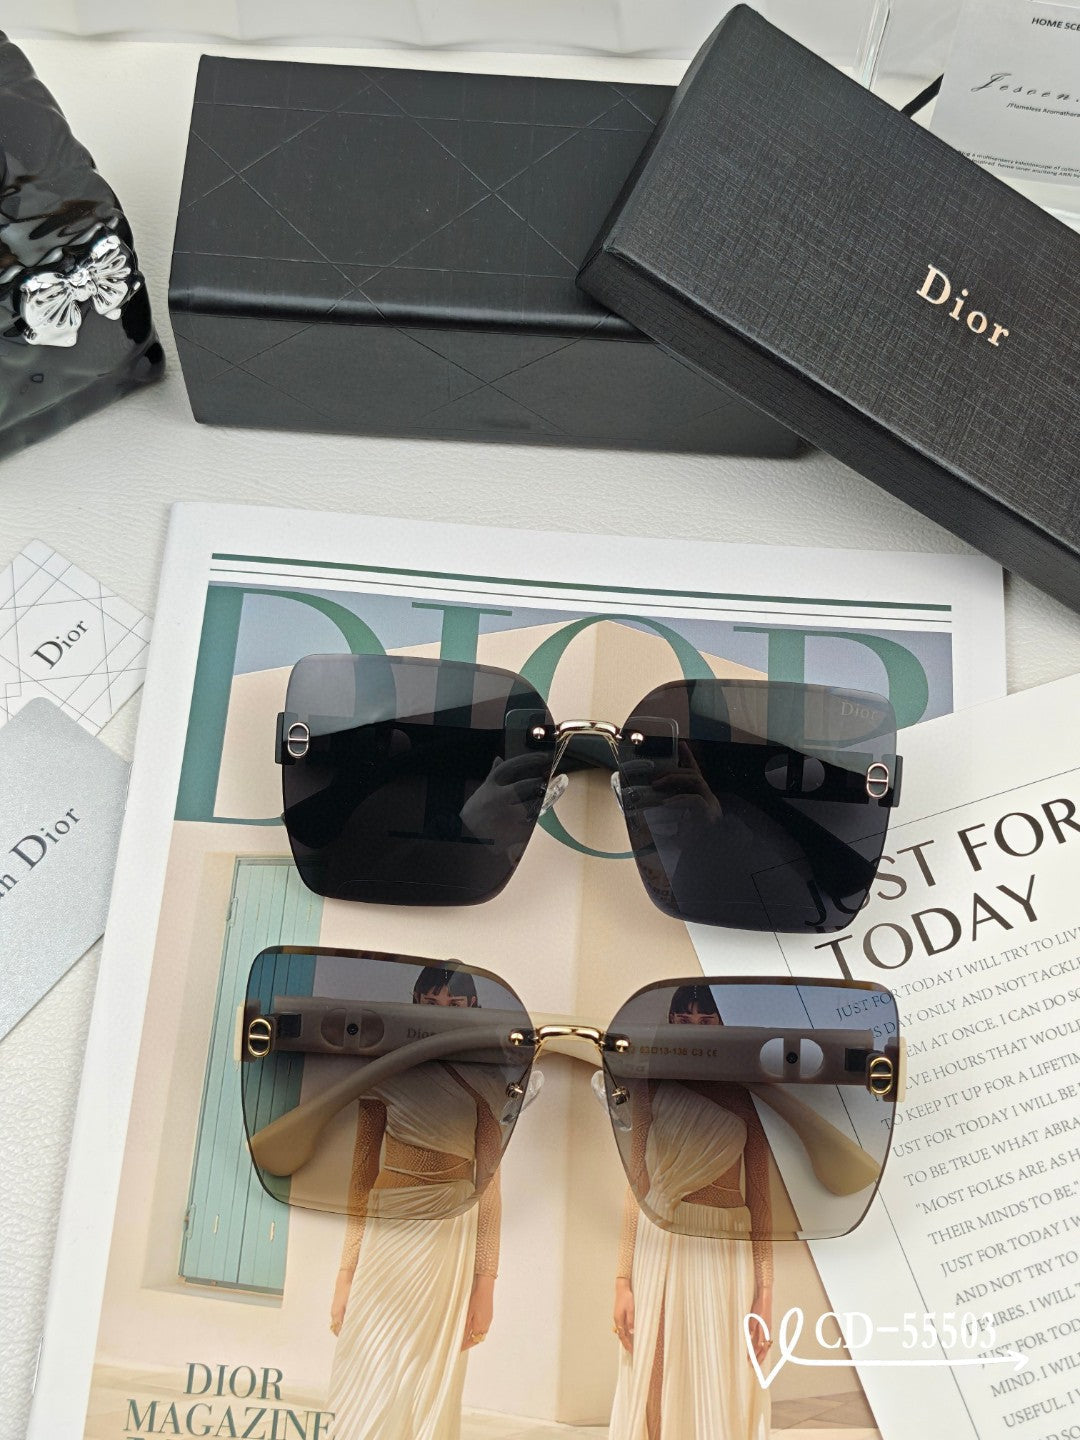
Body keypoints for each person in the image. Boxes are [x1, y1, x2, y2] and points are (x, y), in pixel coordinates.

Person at [327, 967, 504, 1440]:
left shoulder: (489, 1078)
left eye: (455, 1005)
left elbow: (490, 1186)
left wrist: (485, 1283)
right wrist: (346, 1272)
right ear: (415, 1002)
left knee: (428, 1373)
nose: (442, 1013)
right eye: (431, 1003)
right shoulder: (385, 1068)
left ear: (473, 1009)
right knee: (368, 1362)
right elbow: (361, 1176)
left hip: (448, 1234)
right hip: (388, 1229)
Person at [608, 985, 773, 1440]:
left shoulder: (747, 1096)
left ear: (723, 1026)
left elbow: (761, 1199)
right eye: (685, 1020)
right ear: (671, 1025)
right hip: (662, 1238)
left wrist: (765, 1293)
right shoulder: (648, 1087)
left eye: (706, 1021)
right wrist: (622, 1281)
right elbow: (636, 1184)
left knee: (722, 1373)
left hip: (724, 1247)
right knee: (654, 1367)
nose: (696, 1030)